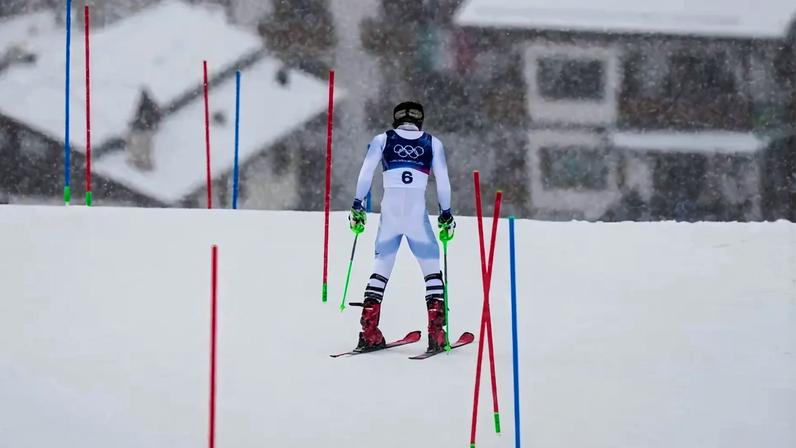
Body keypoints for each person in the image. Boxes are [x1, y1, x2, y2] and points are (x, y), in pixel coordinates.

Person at [349, 101, 455, 352]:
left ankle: (369, 330)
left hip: (390, 213)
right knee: (431, 267)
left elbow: (365, 174)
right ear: (420, 119)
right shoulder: (432, 143)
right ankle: (436, 332)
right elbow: (443, 183)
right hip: (416, 214)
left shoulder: (382, 139)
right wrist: (446, 213)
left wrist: (357, 204)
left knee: (381, 267)